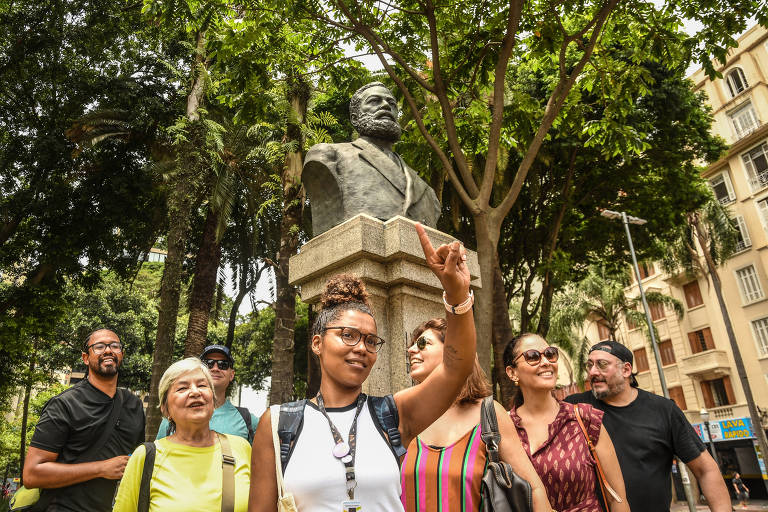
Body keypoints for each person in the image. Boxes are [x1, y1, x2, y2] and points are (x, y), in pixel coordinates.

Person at [249, 222, 476, 512]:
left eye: (370, 341)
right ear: (317, 343)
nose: (361, 348)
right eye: (348, 335)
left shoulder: (393, 415)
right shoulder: (279, 424)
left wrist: (457, 295)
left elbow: (456, 367)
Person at [400, 318, 553, 512]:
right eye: (412, 344)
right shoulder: (404, 416)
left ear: (455, 351)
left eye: (423, 343)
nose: (412, 349)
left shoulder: (488, 414)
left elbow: (534, 489)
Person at [565, 340, 731, 512]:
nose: (592, 372)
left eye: (602, 365)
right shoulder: (573, 408)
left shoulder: (664, 410)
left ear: (626, 370)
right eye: (589, 365)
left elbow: (706, 470)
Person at [22, 329, 145, 511]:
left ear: (122, 354)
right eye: (99, 347)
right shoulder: (64, 404)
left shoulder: (134, 405)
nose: (108, 350)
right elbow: (32, 475)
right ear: (86, 358)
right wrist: (101, 468)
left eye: (115, 346)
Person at [504, 333, 630, 512]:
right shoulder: (503, 428)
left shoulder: (586, 418)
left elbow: (618, 499)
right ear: (512, 372)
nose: (546, 361)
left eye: (550, 354)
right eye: (533, 356)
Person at [302, 82, 441, 235]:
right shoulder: (329, 156)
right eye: (374, 101)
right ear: (355, 119)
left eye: (391, 103)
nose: (386, 106)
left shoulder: (428, 192)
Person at [113, 357, 251, 511]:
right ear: (165, 408)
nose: (195, 392)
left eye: (202, 385)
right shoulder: (146, 457)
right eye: (182, 388)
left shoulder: (241, 448)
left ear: (213, 400)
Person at [156, 344, 258, 442]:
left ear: (232, 375)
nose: (215, 368)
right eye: (208, 363)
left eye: (223, 364)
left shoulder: (248, 420)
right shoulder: (172, 419)